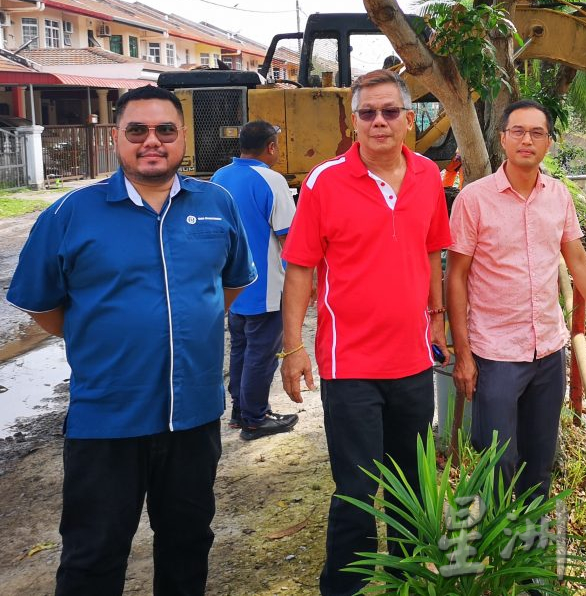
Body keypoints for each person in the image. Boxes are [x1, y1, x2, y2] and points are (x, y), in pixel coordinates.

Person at [6, 85, 257, 595]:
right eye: (137, 130)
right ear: (116, 136)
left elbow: (227, 287)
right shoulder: (71, 213)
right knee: (93, 555)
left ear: (182, 136)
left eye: (165, 130)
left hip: (193, 417)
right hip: (106, 418)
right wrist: (99, 336)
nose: (152, 141)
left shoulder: (216, 203)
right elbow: (42, 305)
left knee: (187, 546)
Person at [279, 69, 451, 596]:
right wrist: (292, 349)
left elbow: (431, 251)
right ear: (354, 122)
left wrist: (438, 316)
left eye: (390, 112)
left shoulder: (427, 177)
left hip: (413, 364)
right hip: (349, 365)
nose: (380, 122)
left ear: (409, 119)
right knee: (356, 489)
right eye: (368, 113)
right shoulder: (324, 182)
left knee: (412, 487)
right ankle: (346, 587)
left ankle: (408, 582)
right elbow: (301, 269)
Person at [447, 99, 586, 502]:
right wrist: (463, 353)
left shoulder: (558, 196)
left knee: (538, 462)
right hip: (495, 353)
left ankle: (529, 552)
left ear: (548, 143)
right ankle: (498, 547)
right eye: (518, 132)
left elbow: (577, 260)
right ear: (503, 138)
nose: (527, 140)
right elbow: (455, 277)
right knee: (498, 460)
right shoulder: (474, 199)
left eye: (537, 133)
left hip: (548, 350)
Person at [211, 120, 299, 440]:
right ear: (271, 147)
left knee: (241, 349)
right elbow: (289, 239)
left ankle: (239, 409)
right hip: (265, 287)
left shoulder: (220, 177)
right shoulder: (272, 180)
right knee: (261, 355)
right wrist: (300, 283)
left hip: (233, 287)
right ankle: (254, 418)